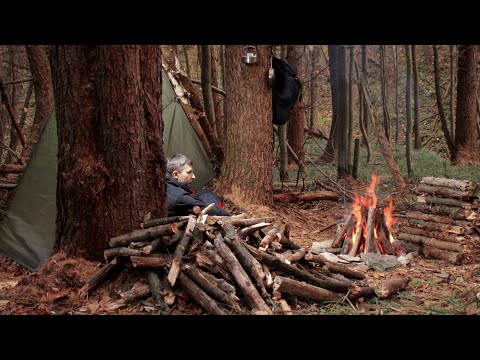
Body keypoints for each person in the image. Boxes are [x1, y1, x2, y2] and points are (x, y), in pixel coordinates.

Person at [166, 154, 230, 216]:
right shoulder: (179, 197)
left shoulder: (167, 186)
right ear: (175, 175)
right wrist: (229, 216)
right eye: (189, 172)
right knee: (208, 197)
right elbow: (209, 211)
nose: (194, 176)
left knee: (202, 192)